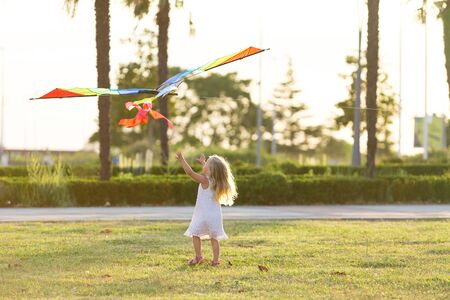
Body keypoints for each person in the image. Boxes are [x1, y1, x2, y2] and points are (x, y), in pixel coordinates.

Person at [175, 152, 237, 266]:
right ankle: (215, 261)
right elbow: (209, 171)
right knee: (214, 238)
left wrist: (182, 160)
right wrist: (204, 163)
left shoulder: (205, 181)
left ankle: (198, 257)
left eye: (206, 165)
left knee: (195, 234)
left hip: (202, 215)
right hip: (215, 216)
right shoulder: (217, 182)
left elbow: (190, 173)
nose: (204, 166)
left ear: (210, 170)